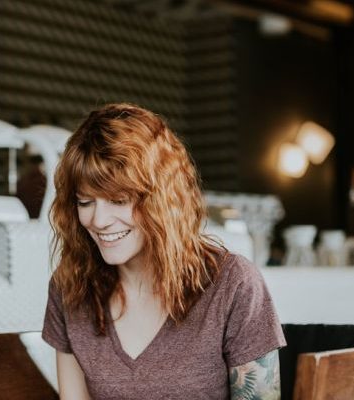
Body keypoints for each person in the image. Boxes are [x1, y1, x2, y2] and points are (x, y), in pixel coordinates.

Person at [42, 103, 286, 399]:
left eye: (119, 201)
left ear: (161, 198)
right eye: (85, 202)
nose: (99, 220)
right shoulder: (70, 288)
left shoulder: (233, 284)